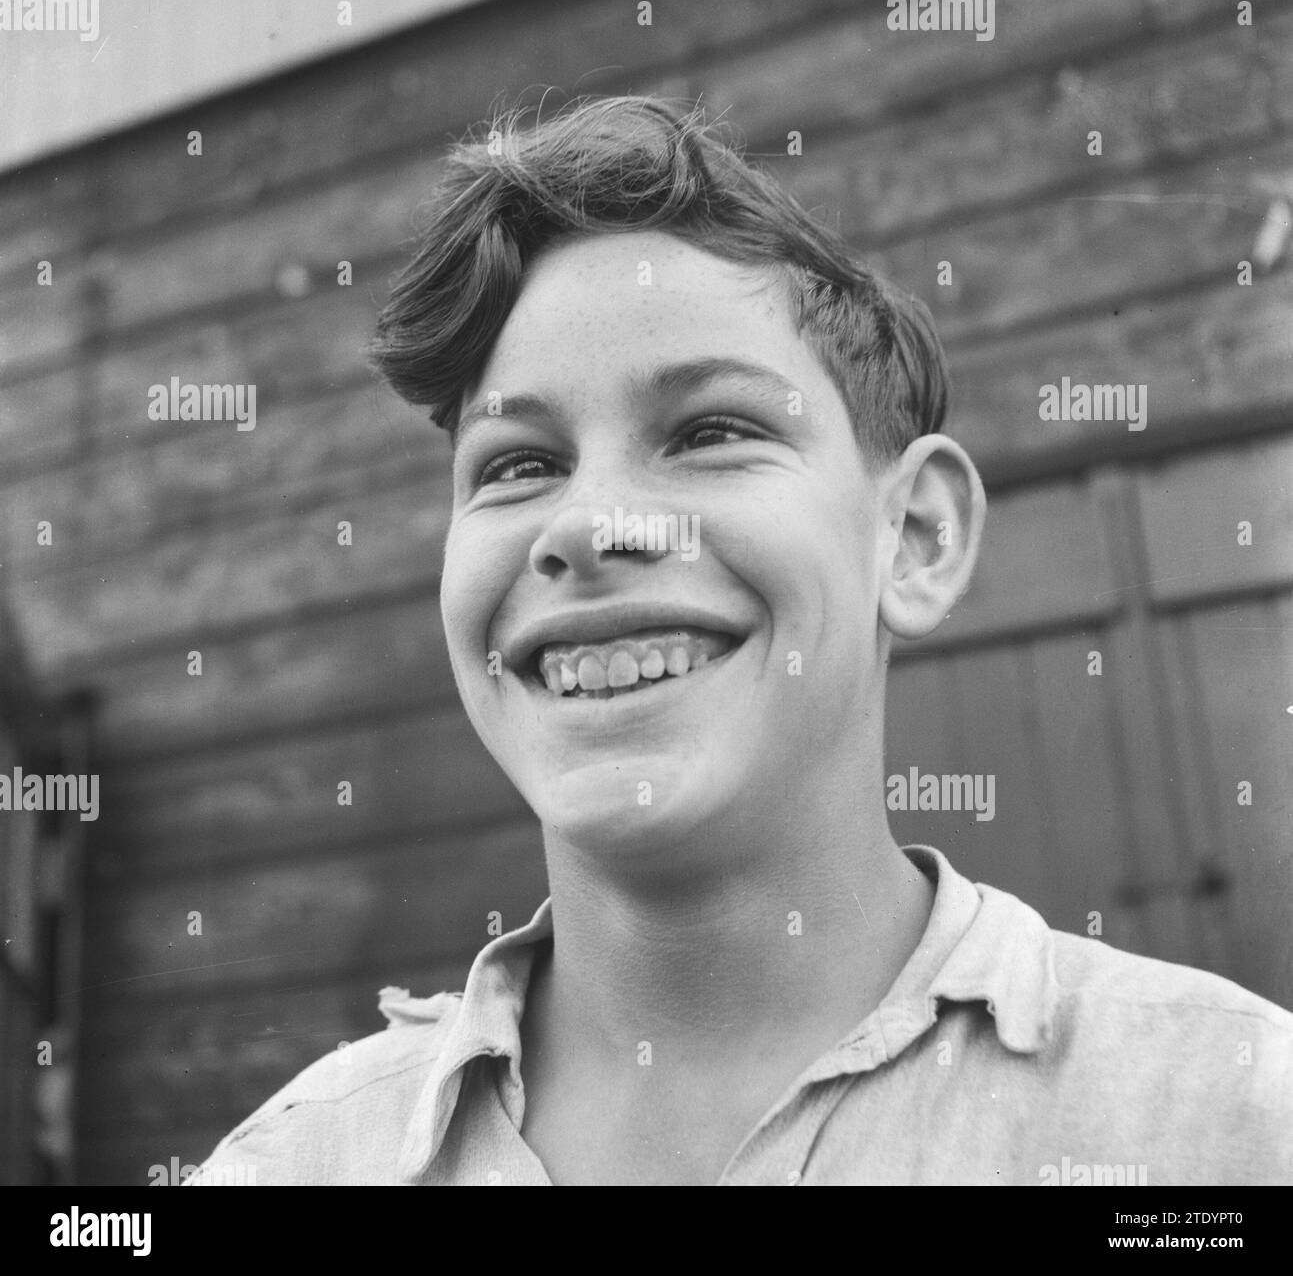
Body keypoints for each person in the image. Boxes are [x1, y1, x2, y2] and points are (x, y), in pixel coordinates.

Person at [190, 96, 1293, 1186]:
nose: (585, 525)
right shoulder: (288, 1168)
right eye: (519, 464)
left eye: (710, 432)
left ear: (916, 537)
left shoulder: (1234, 1120)